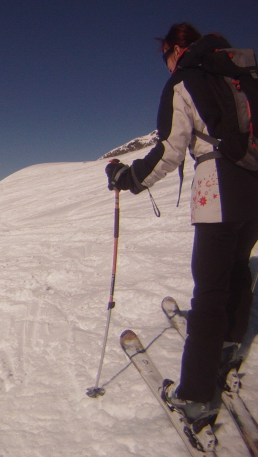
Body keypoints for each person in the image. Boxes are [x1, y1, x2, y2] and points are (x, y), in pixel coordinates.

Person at [106, 22, 258, 422]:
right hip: (255, 186)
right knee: (238, 267)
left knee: (209, 293)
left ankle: (195, 395)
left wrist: (129, 178)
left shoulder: (185, 81)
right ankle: (227, 344)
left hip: (219, 189)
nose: (167, 64)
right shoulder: (242, 74)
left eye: (165, 56)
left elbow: (171, 149)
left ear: (175, 50)